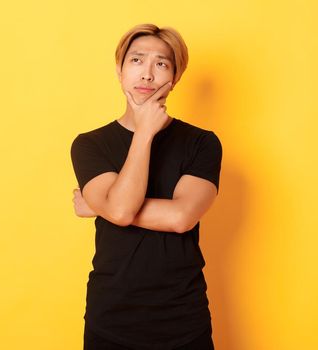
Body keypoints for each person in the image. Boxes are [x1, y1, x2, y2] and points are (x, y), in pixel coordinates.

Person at [69, 23, 222, 350]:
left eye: (161, 63)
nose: (147, 74)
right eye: (137, 60)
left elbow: (181, 217)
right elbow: (121, 210)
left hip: (183, 318)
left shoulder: (202, 143)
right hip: (111, 318)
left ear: (175, 76)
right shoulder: (89, 145)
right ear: (120, 70)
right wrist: (144, 133)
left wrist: (100, 205)